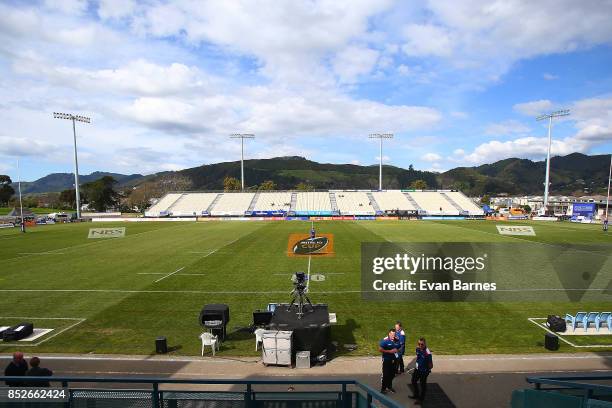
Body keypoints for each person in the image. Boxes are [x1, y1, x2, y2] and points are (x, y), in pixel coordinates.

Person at [410, 338, 433, 405]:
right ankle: (416, 395)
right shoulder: (418, 349)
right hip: (417, 369)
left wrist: (426, 369)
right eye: (419, 344)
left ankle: (421, 399)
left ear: (425, 344)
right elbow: (418, 356)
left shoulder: (427, 353)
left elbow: (431, 365)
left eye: (422, 344)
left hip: (424, 371)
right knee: (413, 381)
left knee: (423, 385)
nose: (420, 345)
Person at [378, 328, 399, 394]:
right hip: (387, 360)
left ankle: (389, 386)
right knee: (386, 375)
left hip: (394, 360)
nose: (393, 336)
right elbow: (380, 349)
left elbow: (398, 346)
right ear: (389, 334)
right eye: (392, 334)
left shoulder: (396, 340)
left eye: (394, 334)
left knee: (392, 374)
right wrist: (389, 351)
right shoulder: (385, 340)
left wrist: (397, 350)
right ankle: (383, 389)